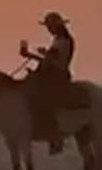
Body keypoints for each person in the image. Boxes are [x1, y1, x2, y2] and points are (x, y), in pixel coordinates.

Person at [20, 10, 75, 154]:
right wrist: (41, 54)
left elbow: (52, 61)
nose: (48, 29)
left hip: (57, 75)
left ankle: (54, 134)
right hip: (52, 73)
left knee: (40, 98)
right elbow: (49, 59)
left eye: (49, 26)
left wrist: (31, 55)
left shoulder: (64, 41)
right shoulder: (59, 39)